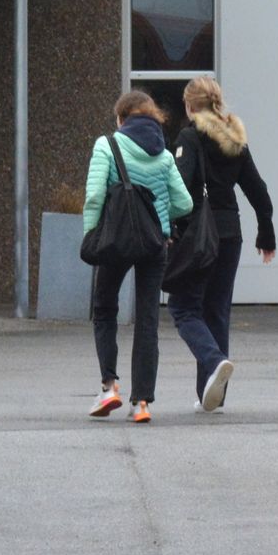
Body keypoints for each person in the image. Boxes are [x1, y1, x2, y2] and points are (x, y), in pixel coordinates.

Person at [85, 91, 194, 424]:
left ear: (121, 119)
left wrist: (92, 235)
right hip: (153, 243)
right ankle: (142, 403)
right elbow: (185, 203)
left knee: (105, 308)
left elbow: (93, 195)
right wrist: (160, 217)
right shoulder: (162, 155)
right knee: (147, 320)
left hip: (115, 240)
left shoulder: (108, 145)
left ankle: (109, 386)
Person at [170, 77, 276, 412]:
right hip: (230, 234)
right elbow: (258, 191)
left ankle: (214, 360)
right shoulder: (235, 140)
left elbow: (181, 189)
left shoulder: (189, 137)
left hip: (200, 234)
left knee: (183, 307)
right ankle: (211, 395)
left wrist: (171, 228)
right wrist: (266, 234)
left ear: (189, 105)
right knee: (216, 310)